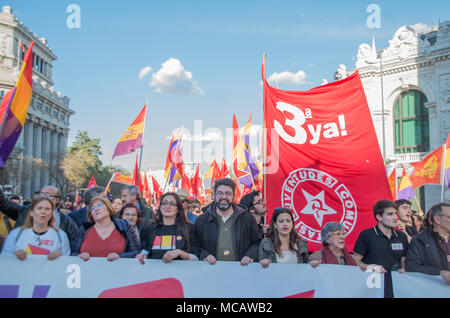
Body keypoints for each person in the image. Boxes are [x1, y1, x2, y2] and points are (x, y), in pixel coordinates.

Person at [194, 178, 261, 266]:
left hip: (240, 271)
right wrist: (205, 255)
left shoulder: (247, 218)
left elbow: (257, 242)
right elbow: (194, 245)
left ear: (234, 196)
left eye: (228, 193)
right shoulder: (201, 220)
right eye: (220, 193)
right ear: (214, 195)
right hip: (211, 272)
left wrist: (249, 255)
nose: (224, 197)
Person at [353, 200, 409, 298]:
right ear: (379, 217)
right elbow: (355, 260)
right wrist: (371, 267)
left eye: (396, 213)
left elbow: (404, 258)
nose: (395, 217)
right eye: (390, 214)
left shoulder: (402, 236)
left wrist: (404, 268)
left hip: (397, 286)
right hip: (374, 286)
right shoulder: (367, 235)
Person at [0, 186, 78, 246]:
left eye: (47, 194)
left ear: (56, 200)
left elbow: (73, 246)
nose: (42, 197)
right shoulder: (25, 212)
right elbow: (4, 203)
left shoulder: (67, 222)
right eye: (41, 194)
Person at [136, 192, 200, 264]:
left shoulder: (189, 229)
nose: (167, 206)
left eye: (172, 204)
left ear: (178, 209)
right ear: (160, 207)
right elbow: (145, 250)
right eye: (164, 203)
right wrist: (142, 255)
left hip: (180, 274)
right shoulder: (149, 228)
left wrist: (180, 253)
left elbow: (196, 257)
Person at [71, 197, 140, 261]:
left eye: (99, 205)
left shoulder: (124, 226)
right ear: (91, 214)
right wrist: (79, 256)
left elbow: (136, 252)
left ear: (108, 208)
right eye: (92, 208)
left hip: (118, 272)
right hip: (88, 272)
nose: (96, 209)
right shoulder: (84, 229)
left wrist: (120, 256)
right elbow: (73, 253)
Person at [1, 197, 70, 260]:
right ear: (31, 212)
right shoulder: (16, 234)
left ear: (51, 214)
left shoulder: (61, 236)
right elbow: (5, 260)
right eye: (39, 208)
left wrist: (60, 256)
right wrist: (14, 255)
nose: (43, 212)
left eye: (47, 209)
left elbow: (67, 262)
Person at [406, 203, 450, 285]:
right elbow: (411, 267)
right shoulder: (419, 240)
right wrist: (440, 272)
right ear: (437, 219)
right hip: (434, 291)